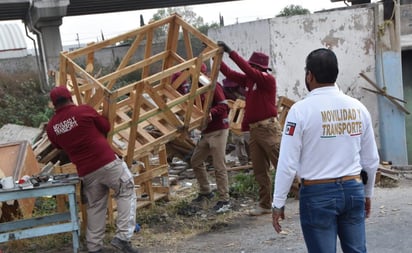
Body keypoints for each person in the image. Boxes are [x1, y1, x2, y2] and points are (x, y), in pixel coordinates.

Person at [271, 48, 380, 253]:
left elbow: (287, 163)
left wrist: (278, 203)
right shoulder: (358, 108)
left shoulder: (300, 111)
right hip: (353, 189)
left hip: (317, 194)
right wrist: (367, 193)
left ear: (309, 75)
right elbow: (372, 160)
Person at [46, 86, 139, 253]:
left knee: (95, 207)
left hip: (86, 172)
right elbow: (105, 126)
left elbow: (58, 145)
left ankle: (94, 247)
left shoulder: (52, 126)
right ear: (70, 97)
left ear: (54, 104)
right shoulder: (83, 111)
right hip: (108, 163)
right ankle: (122, 237)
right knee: (126, 190)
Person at [217, 41, 282, 216]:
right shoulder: (250, 80)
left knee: (281, 166)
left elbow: (245, 69)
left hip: (267, 129)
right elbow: (230, 73)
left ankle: (301, 194)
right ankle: (265, 204)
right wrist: (216, 58)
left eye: (251, 66)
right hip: (255, 130)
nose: (249, 68)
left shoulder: (266, 80)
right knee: (260, 170)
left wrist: (230, 52)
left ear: (256, 67)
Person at [190, 64, 231, 213]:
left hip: (219, 130)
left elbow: (224, 106)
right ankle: (206, 191)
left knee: (219, 165)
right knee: (195, 161)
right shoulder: (195, 90)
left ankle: (224, 199)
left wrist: (211, 112)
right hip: (206, 132)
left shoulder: (213, 86)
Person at [222, 78, 250, 166]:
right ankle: (244, 162)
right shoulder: (224, 91)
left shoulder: (242, 89)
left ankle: (251, 160)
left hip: (245, 117)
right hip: (233, 119)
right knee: (239, 141)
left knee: (248, 140)